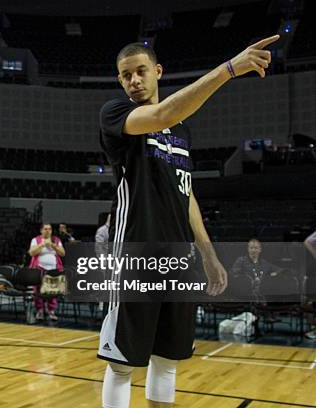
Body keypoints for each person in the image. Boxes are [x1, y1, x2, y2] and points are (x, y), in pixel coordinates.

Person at [98, 34, 279, 408]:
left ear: (158, 72)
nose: (133, 80)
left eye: (141, 71)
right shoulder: (115, 114)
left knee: (168, 362)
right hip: (137, 256)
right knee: (122, 366)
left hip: (180, 260)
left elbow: (188, 195)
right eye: (125, 75)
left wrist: (209, 256)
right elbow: (163, 114)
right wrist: (229, 70)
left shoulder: (182, 134)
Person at [28, 223, 65, 321]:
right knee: (38, 290)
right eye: (45, 229)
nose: (48, 231)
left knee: (52, 290)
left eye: (49, 229)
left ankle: (51, 311)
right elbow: (32, 252)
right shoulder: (35, 240)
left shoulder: (56, 240)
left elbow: (62, 253)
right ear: (41, 230)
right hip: (39, 269)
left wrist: (52, 245)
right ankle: (39, 310)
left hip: (52, 270)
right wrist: (42, 244)